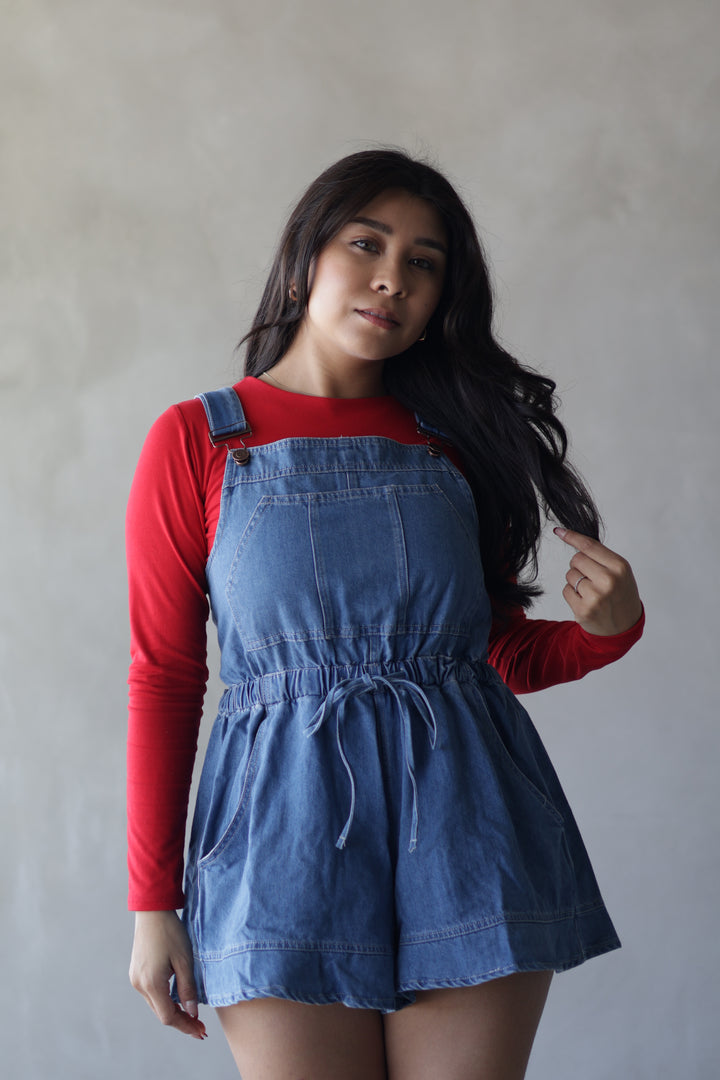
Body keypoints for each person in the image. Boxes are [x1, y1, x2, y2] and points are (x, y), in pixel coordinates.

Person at [126, 148, 643, 1079]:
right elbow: (166, 675)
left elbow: (494, 655)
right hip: (274, 834)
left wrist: (607, 632)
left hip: (469, 821)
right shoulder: (198, 440)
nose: (390, 279)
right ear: (305, 256)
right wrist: (152, 904)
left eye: (424, 262)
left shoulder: (456, 441)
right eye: (367, 244)